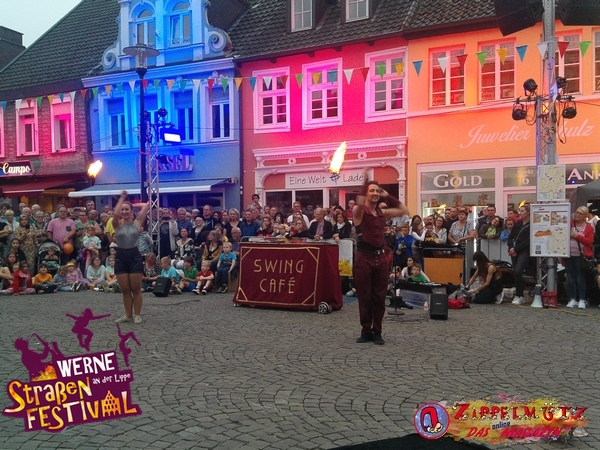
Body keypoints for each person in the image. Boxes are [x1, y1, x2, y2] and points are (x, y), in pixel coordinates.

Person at [353, 175, 409, 345]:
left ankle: (377, 331)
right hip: (364, 257)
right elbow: (360, 201)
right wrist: (366, 183)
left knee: (379, 297)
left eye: (377, 190)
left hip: (380, 258)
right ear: (366, 193)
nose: (375, 193)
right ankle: (365, 330)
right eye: (372, 191)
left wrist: (386, 195)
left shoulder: (382, 213)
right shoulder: (359, 211)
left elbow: (403, 210)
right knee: (365, 296)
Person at [112, 191, 150, 324]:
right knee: (125, 290)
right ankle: (128, 315)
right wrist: (122, 198)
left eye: (126, 209)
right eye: (122, 209)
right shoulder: (117, 225)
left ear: (132, 211)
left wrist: (132, 204)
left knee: (136, 289)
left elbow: (146, 206)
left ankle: (137, 314)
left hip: (134, 255)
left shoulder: (137, 223)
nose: (124, 212)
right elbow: (115, 214)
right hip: (121, 256)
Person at [565, 206, 594, 309]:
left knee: (579, 277)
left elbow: (589, 242)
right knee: (570, 277)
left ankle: (582, 299)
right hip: (568, 255)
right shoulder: (570, 223)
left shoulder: (589, 227)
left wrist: (577, 236)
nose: (577, 215)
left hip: (580, 256)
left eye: (580, 213)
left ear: (585, 216)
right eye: (576, 212)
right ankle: (573, 298)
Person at [507, 204, 531, 305]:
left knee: (518, 271)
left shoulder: (531, 224)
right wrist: (511, 247)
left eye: (522, 211)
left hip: (524, 250)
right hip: (514, 250)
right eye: (520, 211)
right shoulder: (517, 223)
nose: (520, 213)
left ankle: (520, 295)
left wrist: (516, 248)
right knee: (516, 272)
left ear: (528, 212)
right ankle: (518, 295)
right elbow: (510, 236)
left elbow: (528, 241)